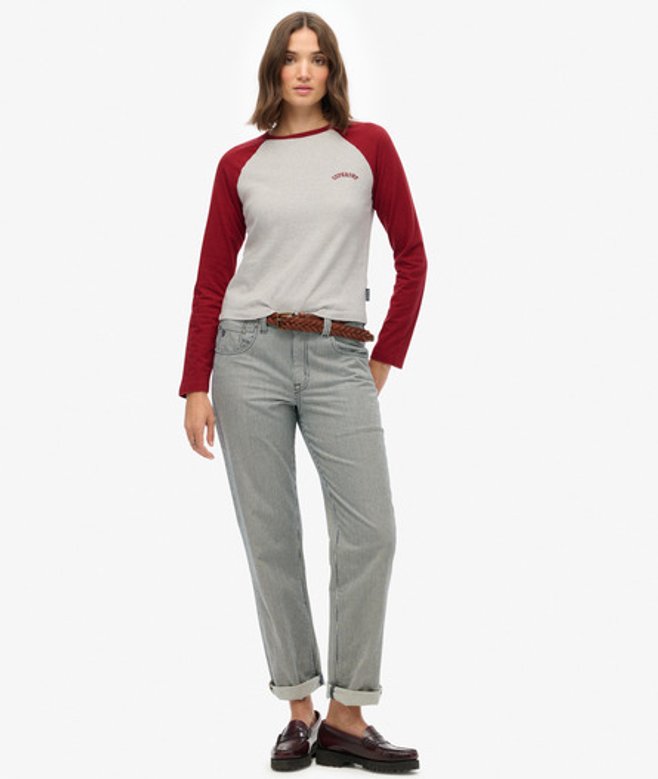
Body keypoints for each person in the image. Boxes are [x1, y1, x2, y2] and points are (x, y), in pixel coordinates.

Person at [179, 11, 427, 774]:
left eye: (317, 59)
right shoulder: (239, 163)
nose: (304, 71)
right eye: (291, 59)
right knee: (271, 536)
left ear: (332, 71)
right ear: (273, 70)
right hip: (245, 356)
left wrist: (383, 358)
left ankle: (348, 714)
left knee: (371, 531)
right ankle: (298, 709)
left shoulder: (368, 146)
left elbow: (413, 257)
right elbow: (212, 279)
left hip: (338, 353)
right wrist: (194, 383)